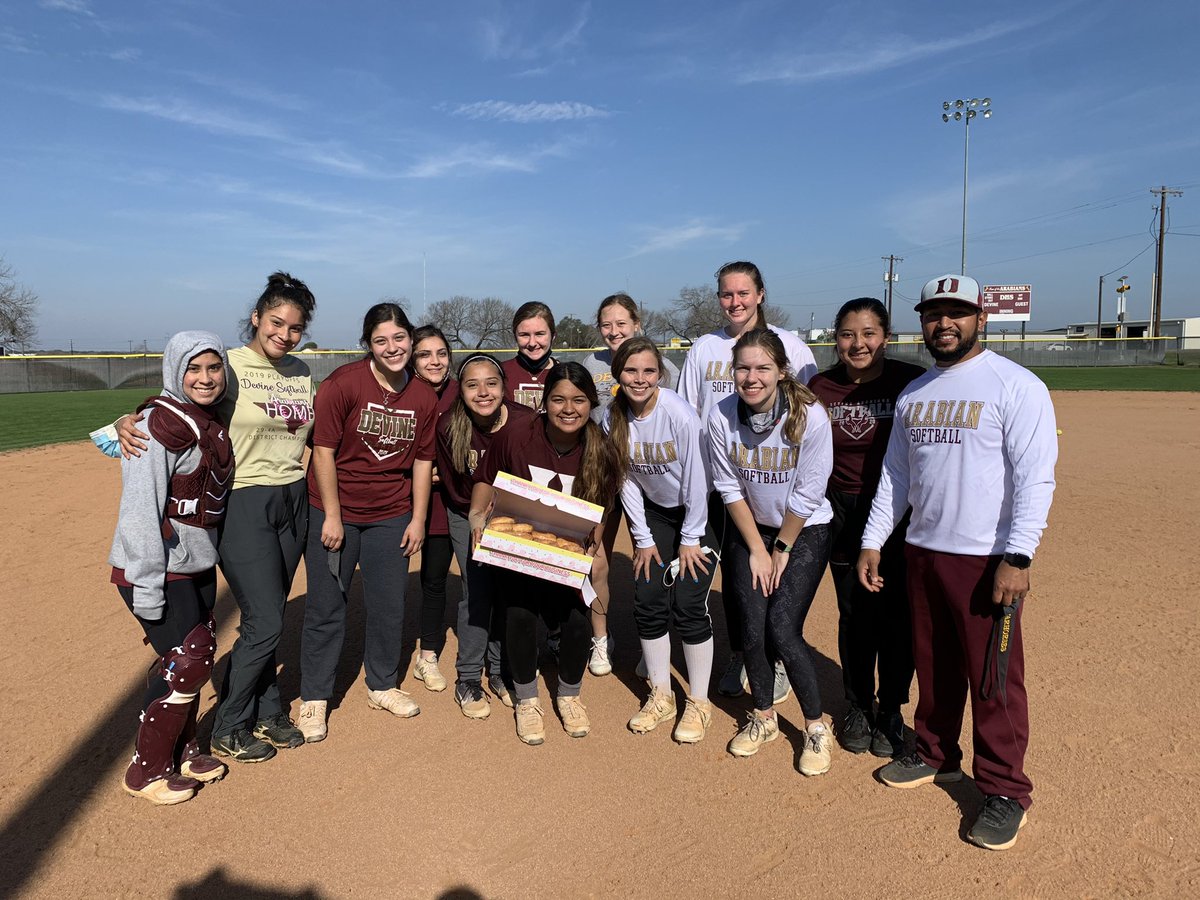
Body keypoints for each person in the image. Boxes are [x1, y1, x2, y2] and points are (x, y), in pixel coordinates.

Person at [858, 274, 1058, 851]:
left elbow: (1035, 480)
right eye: (933, 314)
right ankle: (935, 752)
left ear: (980, 318)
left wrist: (1018, 557)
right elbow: (897, 478)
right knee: (935, 663)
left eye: (957, 313)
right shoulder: (915, 393)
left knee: (993, 679)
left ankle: (1004, 789)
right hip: (923, 550)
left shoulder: (1014, 385)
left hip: (986, 556)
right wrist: (874, 540)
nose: (944, 324)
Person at [111, 273, 318, 760]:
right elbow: (176, 404)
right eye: (276, 322)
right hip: (245, 501)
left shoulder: (303, 371)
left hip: (293, 496)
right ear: (256, 317)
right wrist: (124, 420)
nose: (284, 335)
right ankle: (228, 722)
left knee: (265, 615)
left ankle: (267, 713)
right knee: (267, 619)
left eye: (295, 328)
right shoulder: (230, 365)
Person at [678, 261, 818, 701]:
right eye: (726, 294)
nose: (734, 302)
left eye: (743, 293)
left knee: (773, 580)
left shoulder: (790, 346)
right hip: (718, 483)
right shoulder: (704, 347)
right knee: (735, 580)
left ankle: (772, 658)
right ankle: (743, 653)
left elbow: (807, 412)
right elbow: (688, 414)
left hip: (771, 485)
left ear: (760, 294)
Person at [298, 302, 438, 739]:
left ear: (410, 340)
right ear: (369, 345)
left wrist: (417, 519)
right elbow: (322, 451)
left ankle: (382, 684)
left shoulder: (422, 396)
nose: (392, 347)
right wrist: (334, 517)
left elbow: (422, 461)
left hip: (391, 515)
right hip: (334, 508)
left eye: (399, 338)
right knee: (326, 605)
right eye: (381, 340)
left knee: (388, 605)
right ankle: (315, 698)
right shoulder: (344, 384)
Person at [469, 362, 623, 746]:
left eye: (578, 400)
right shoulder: (517, 435)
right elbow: (487, 477)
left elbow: (601, 507)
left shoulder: (600, 448)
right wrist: (476, 518)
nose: (568, 408)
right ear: (544, 402)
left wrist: (593, 546)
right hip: (521, 546)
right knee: (519, 614)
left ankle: (569, 695)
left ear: (591, 404)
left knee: (575, 620)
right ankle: (526, 699)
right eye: (558, 399)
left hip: (566, 549)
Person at [109, 331, 233, 805]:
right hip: (158, 568)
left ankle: (184, 751)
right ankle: (146, 772)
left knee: (191, 657)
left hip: (194, 563)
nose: (205, 378)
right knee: (189, 661)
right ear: (174, 372)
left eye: (213, 367)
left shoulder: (205, 419)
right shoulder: (155, 425)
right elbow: (140, 510)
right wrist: (147, 586)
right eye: (193, 369)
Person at [708, 328, 835, 776]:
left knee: (782, 628)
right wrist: (758, 548)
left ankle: (816, 727)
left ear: (781, 371)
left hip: (805, 529)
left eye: (762, 367)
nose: (751, 377)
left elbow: (809, 491)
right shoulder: (722, 415)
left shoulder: (809, 415)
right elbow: (727, 485)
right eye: (743, 368)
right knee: (751, 625)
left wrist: (780, 546)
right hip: (752, 530)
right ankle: (763, 716)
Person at [808, 298, 924, 758]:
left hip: (897, 510)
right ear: (836, 338)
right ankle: (857, 704)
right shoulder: (821, 386)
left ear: (886, 337)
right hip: (842, 509)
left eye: (869, 333)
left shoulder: (909, 382)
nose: (858, 343)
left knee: (897, 615)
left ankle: (892, 707)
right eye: (848, 334)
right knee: (855, 613)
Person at [605, 337, 717, 743]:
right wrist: (643, 538)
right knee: (648, 595)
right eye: (631, 370)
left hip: (699, 512)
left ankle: (700, 701)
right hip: (654, 514)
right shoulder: (613, 417)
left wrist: (690, 537)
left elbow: (698, 479)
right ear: (618, 372)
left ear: (660, 374)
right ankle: (662, 694)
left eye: (649, 371)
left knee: (688, 602)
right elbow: (626, 481)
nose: (640, 379)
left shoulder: (678, 414)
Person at [578, 293, 681, 677]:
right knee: (596, 559)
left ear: (637, 323)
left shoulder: (663, 364)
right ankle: (601, 640)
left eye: (621, 323)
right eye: (606, 324)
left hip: (644, 475)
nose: (614, 331)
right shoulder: (592, 363)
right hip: (602, 472)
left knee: (650, 561)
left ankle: (651, 643)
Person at [437, 353, 535, 717]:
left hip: (514, 515)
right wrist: (482, 522)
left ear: (504, 387)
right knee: (476, 590)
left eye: (491, 383)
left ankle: (500, 670)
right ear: (459, 390)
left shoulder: (526, 420)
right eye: (471, 384)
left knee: (510, 591)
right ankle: (467, 677)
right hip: (468, 513)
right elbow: (458, 489)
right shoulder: (450, 426)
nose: (482, 392)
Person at [410, 325, 461, 694]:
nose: (435, 361)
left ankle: (490, 656)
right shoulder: (405, 393)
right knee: (433, 580)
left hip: (463, 501)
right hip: (422, 506)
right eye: (425, 354)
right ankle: (426, 656)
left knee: (481, 582)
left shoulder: (463, 391)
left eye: (441, 353)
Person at [501, 301, 557, 410]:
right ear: (515, 337)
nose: (532, 343)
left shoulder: (566, 374)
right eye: (524, 335)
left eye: (539, 334)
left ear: (553, 335)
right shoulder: (500, 373)